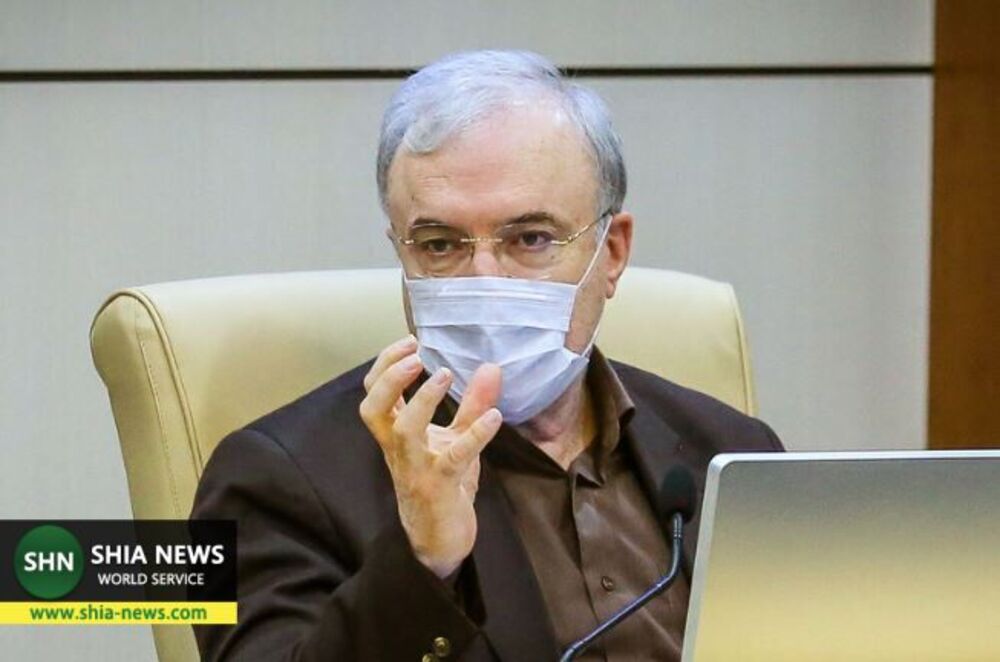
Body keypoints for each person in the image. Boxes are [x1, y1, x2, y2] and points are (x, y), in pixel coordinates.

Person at [191, 50, 783, 661]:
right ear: (401, 251)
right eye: (439, 244)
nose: (485, 279)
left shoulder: (736, 450)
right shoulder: (262, 475)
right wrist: (422, 561)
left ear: (611, 254)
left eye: (531, 238)